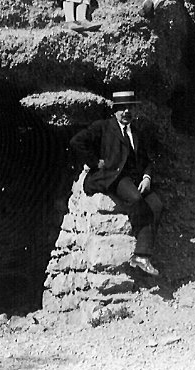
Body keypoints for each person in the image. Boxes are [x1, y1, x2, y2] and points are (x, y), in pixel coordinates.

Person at [70, 90, 164, 276]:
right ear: (115, 111)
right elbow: (76, 141)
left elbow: (146, 160)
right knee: (136, 199)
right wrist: (95, 162)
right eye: (122, 108)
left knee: (156, 205)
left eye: (130, 108)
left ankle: (141, 256)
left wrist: (147, 177)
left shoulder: (136, 132)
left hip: (135, 178)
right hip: (113, 177)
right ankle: (140, 251)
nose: (126, 112)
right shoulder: (103, 127)